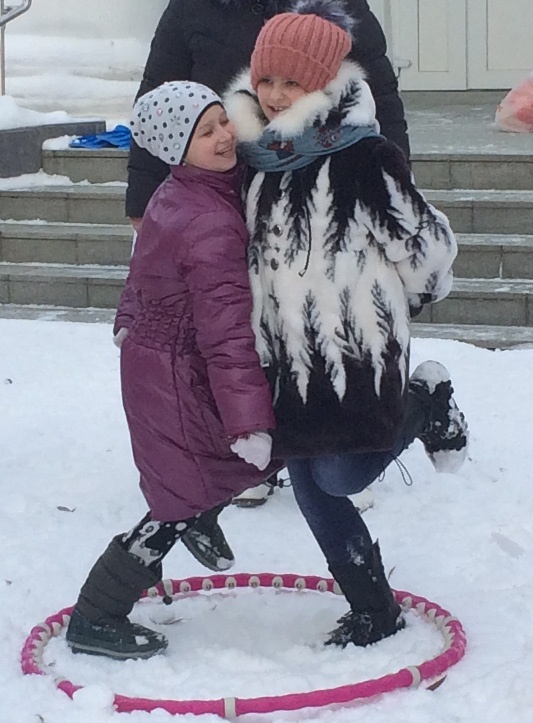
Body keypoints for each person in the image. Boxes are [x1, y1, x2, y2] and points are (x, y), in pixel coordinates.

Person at [223, 0, 469, 646]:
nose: (275, 95)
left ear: (324, 82)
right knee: (310, 483)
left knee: (340, 474)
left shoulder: (363, 157)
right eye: (266, 79)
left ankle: (426, 398)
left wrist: (411, 293)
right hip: (287, 355)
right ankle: (373, 608)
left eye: (292, 81)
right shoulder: (251, 158)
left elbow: (426, 247)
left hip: (357, 347)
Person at [119, 0, 410, 513]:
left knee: (310, 329)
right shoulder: (192, 7)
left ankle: (335, 442)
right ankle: (260, 447)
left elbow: (379, 87)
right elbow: (158, 85)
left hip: (324, 197)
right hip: (234, 183)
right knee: (240, 322)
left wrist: (393, 177)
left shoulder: (338, 5)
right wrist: (143, 200)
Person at [66, 81, 280, 660]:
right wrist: (247, 421)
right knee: (184, 492)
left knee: (202, 476)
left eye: (222, 121)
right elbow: (226, 332)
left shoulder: (180, 191)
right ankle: (96, 615)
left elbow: (144, 272)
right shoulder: (208, 221)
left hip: (160, 361)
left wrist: (128, 319)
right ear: (175, 148)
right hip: (178, 374)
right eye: (205, 133)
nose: (226, 136)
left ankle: (197, 516)